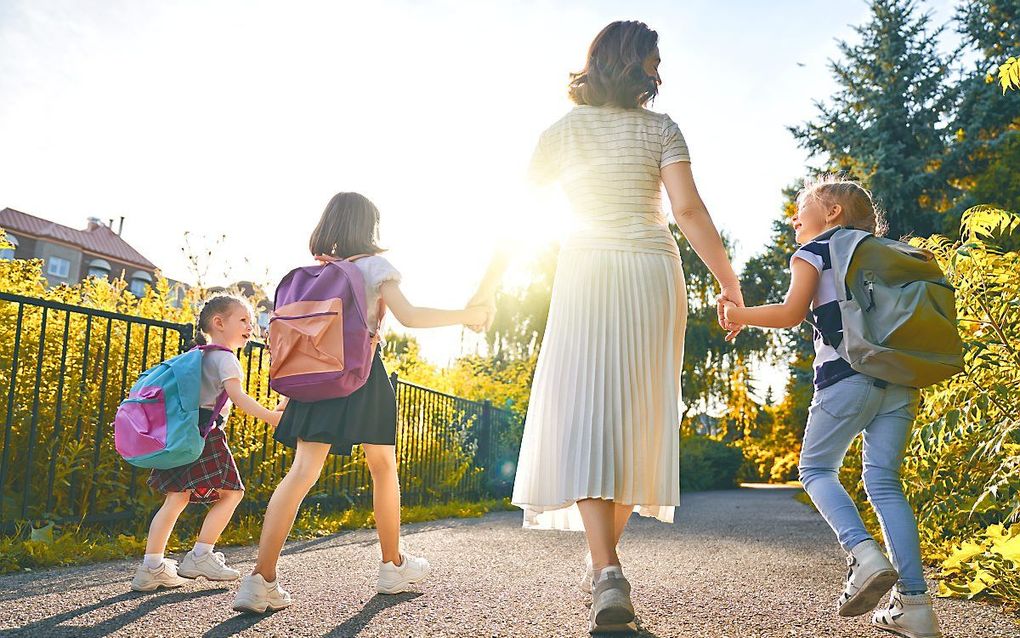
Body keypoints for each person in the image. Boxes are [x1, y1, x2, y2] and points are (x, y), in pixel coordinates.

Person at [468, 21, 743, 633]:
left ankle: (605, 569)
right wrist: (728, 281)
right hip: (651, 271)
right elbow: (689, 211)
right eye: (651, 62)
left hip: (587, 271)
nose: (657, 74)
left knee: (591, 413)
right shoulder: (661, 130)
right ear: (629, 65)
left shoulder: (560, 133)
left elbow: (515, 220)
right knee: (638, 416)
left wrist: (483, 292)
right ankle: (605, 567)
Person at [232, 191, 490, 614]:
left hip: (315, 377)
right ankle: (392, 566)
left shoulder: (311, 275)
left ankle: (259, 581)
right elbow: (410, 316)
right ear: (370, 227)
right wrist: (467, 314)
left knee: (300, 474)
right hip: (361, 376)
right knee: (383, 468)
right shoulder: (375, 267)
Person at [720, 175, 942, 638]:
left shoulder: (817, 250)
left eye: (803, 205)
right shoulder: (882, 252)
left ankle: (862, 554)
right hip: (900, 380)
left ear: (833, 212)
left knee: (815, 470)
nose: (794, 216)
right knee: (884, 484)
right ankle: (916, 606)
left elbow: (789, 313)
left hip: (846, 377)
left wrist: (740, 315)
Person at [132, 295, 283, 592]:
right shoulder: (226, 358)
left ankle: (151, 567)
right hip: (206, 433)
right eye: (243, 320)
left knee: (176, 498)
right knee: (232, 494)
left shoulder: (200, 354)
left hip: (182, 431)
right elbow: (238, 399)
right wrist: (271, 417)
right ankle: (201, 554)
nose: (249, 327)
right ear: (218, 323)